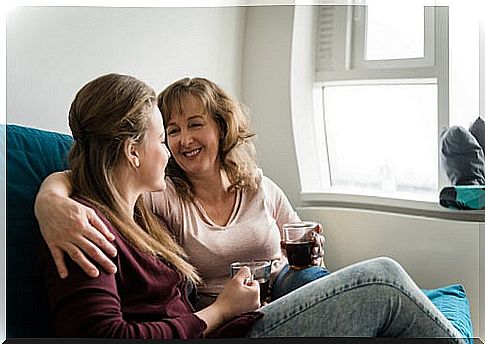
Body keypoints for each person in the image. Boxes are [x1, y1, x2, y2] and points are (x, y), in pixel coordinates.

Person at [39, 72, 466, 341]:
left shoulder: (131, 216)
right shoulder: (91, 227)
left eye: (193, 126)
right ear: (134, 151)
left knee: (359, 287)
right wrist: (51, 200)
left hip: (245, 313)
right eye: (163, 135)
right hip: (224, 324)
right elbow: (101, 334)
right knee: (384, 280)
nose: (171, 148)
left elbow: (95, 171)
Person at [35, 77, 329, 308]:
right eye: (171, 132)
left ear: (221, 127)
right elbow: (91, 176)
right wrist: (50, 200)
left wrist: (315, 253)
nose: (184, 140)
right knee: (374, 281)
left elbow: (304, 252)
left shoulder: (259, 186)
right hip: (227, 314)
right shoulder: (161, 191)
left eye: (195, 125)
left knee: (317, 280)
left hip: (285, 289)